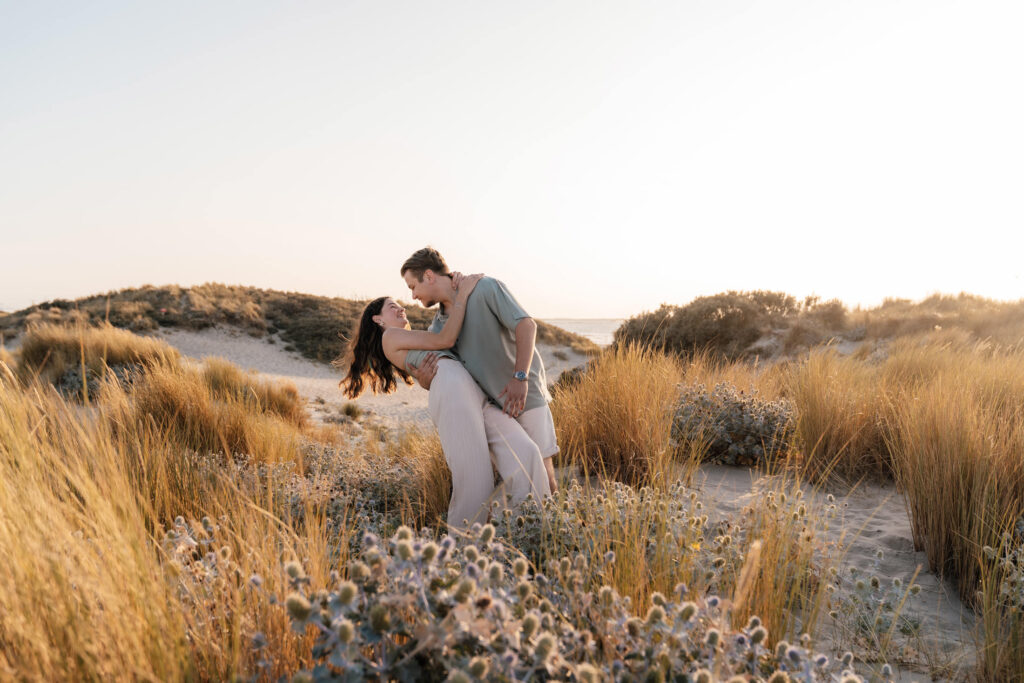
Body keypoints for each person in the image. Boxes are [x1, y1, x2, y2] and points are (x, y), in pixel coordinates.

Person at [335, 275, 549, 530]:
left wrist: (453, 280)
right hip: (453, 393)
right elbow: (446, 340)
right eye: (392, 307)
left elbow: (446, 342)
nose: (401, 307)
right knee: (475, 480)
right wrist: (465, 294)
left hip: (475, 392)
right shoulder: (389, 337)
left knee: (526, 454)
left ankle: (537, 532)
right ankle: (461, 550)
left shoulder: (416, 337)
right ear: (377, 319)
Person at [401, 247, 560, 494]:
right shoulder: (439, 326)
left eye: (413, 286)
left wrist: (520, 377)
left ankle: (554, 529)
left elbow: (526, 326)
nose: (412, 296)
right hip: (494, 408)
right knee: (519, 481)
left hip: (525, 396)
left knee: (545, 476)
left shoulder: (484, 288)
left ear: (429, 276)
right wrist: (424, 380)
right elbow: (444, 365)